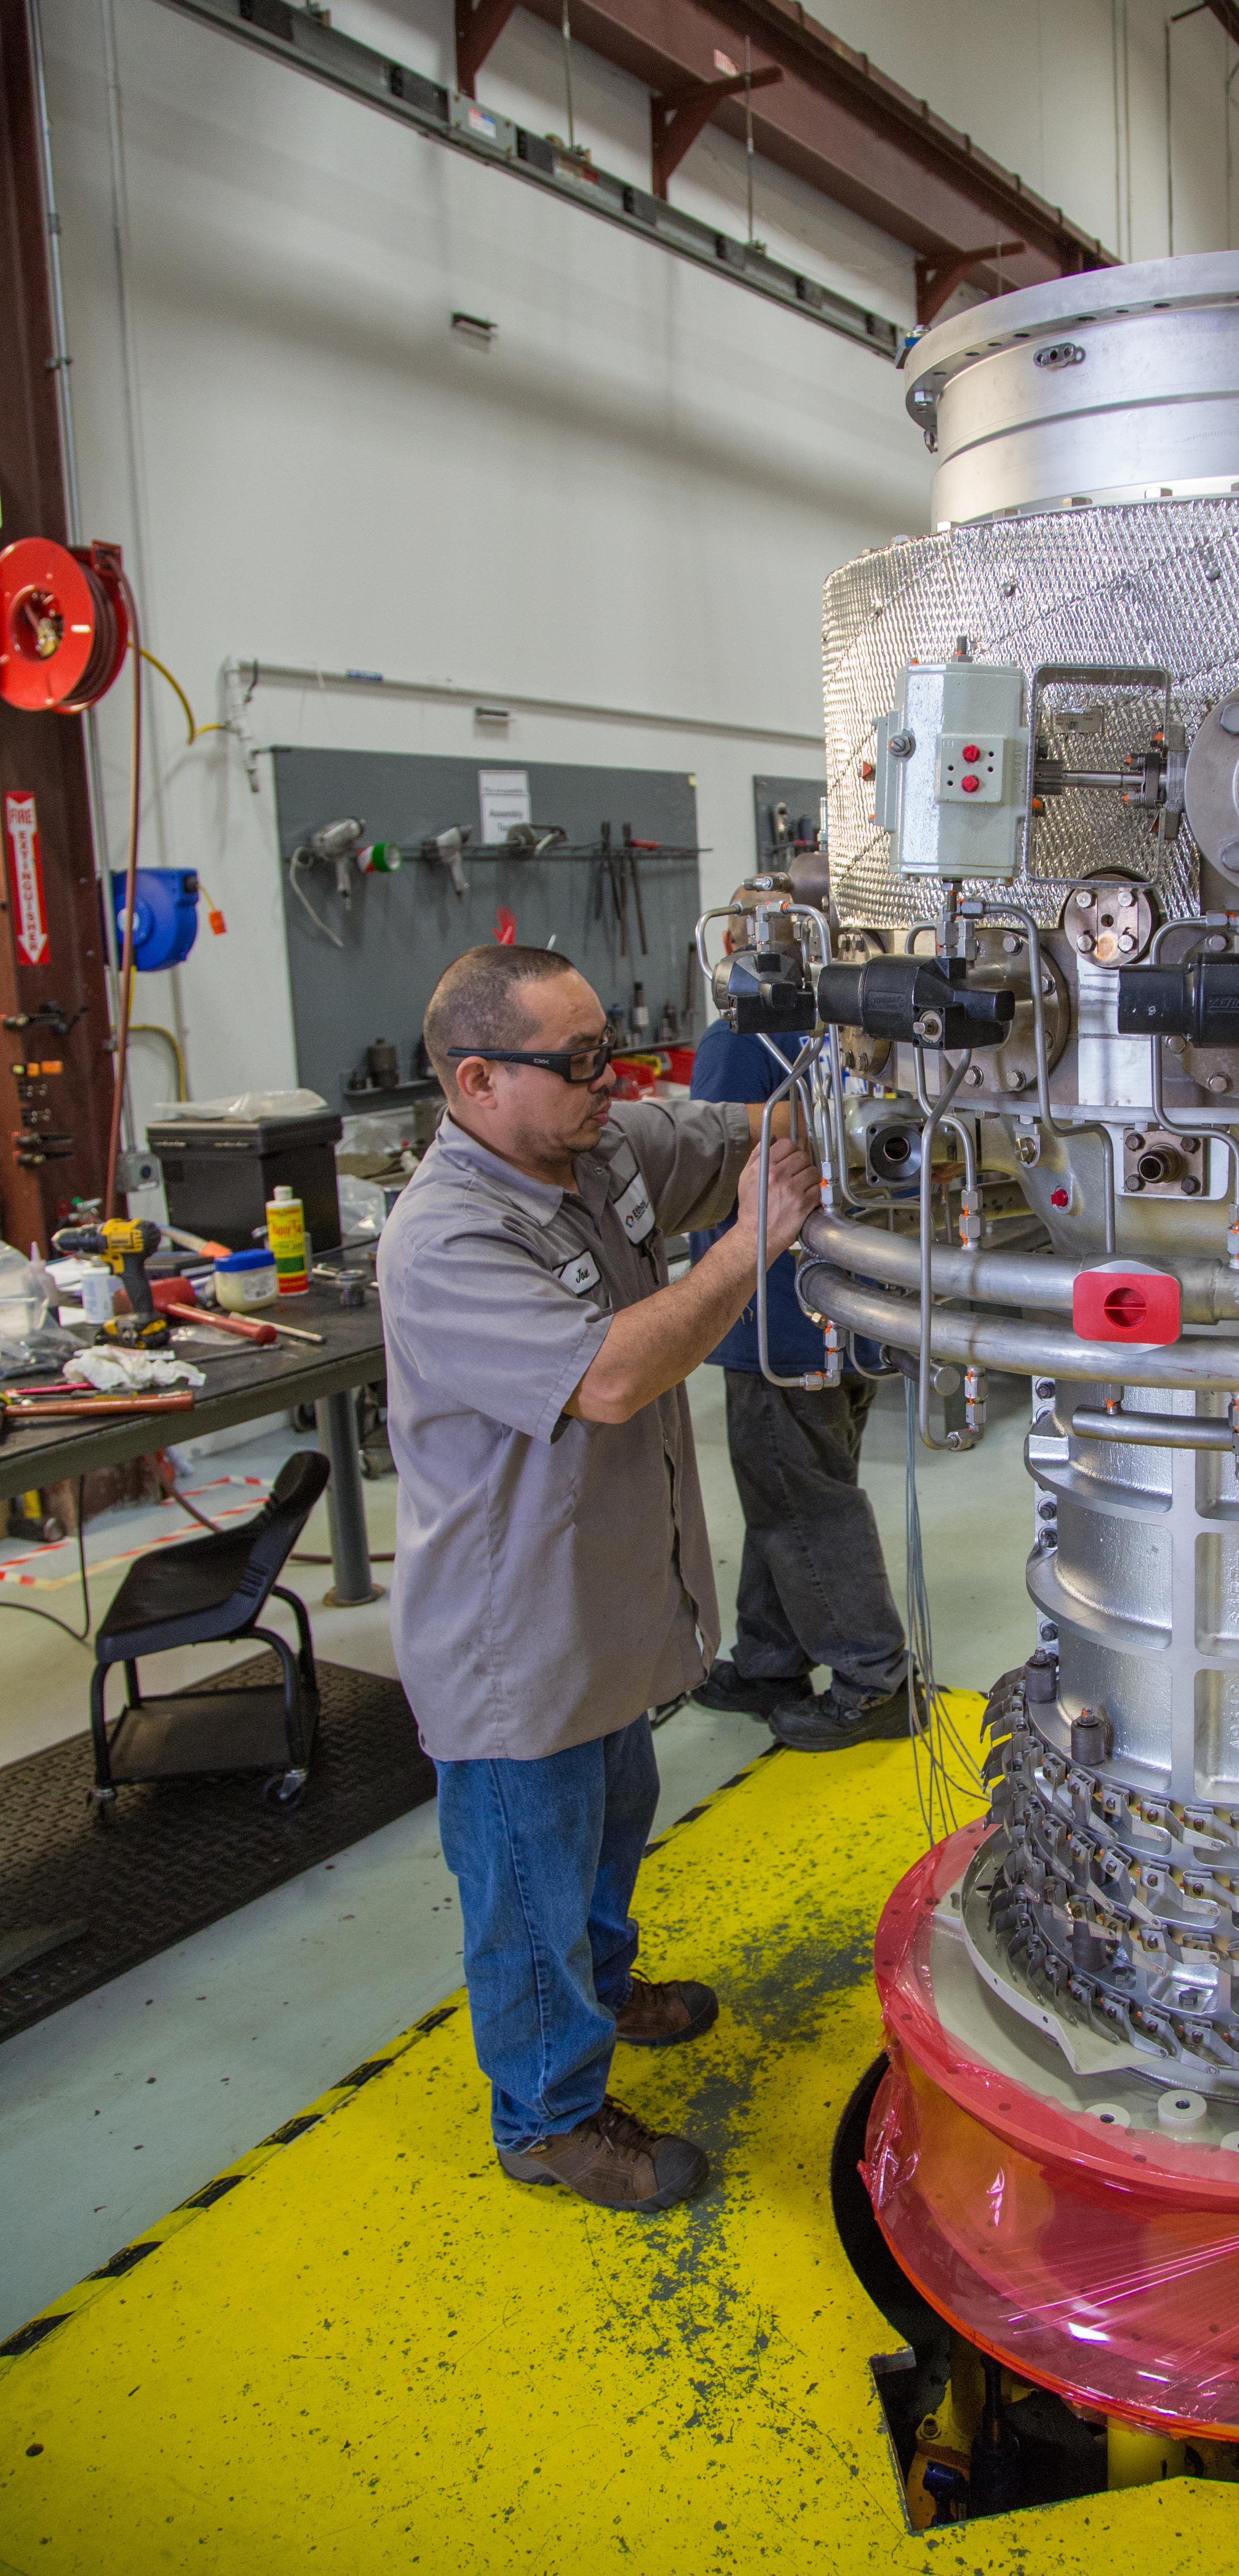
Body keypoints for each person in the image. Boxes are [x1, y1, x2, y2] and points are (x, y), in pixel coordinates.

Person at [377, 943, 819, 2218]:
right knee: (530, 1885)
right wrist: (745, 1249)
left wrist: (842, 1101)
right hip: (514, 1641)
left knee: (612, 1825)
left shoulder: (595, 1148)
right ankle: (549, 2119)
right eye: (577, 1063)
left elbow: (731, 1133)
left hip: (607, 1609)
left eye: (607, 1049)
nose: (608, 1079)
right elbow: (611, 1378)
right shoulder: (446, 1238)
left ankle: (605, 1988)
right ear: (477, 1081)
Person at [687, 917, 909, 1753]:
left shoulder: (736, 1040)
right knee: (788, 1488)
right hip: (845, 1304)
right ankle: (770, 1660)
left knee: (800, 1500)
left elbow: (702, 1167)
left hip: (770, 1315)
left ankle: (874, 1679)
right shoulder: (854, 1033)